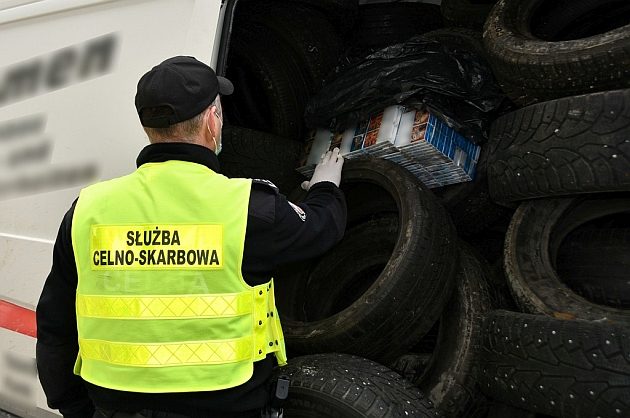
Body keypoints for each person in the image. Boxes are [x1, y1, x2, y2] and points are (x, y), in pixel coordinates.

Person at [36, 56, 346, 418]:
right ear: (213, 122)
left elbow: (55, 326)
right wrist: (326, 185)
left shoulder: (87, 210)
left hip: (115, 409)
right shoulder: (248, 207)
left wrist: (75, 408)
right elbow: (322, 227)